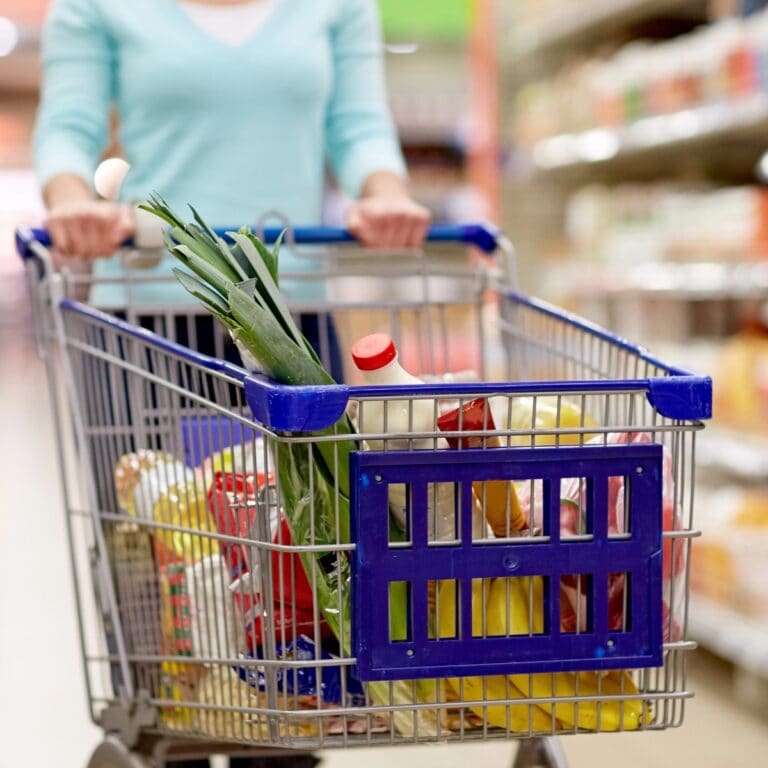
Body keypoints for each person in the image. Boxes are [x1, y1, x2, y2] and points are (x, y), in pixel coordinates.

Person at [34, 1, 430, 765]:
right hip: (148, 323)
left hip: (284, 326)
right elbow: (70, 125)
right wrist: (70, 201)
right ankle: (172, 721)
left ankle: (288, 731)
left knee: (296, 573)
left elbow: (357, 125)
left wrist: (384, 192)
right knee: (166, 565)